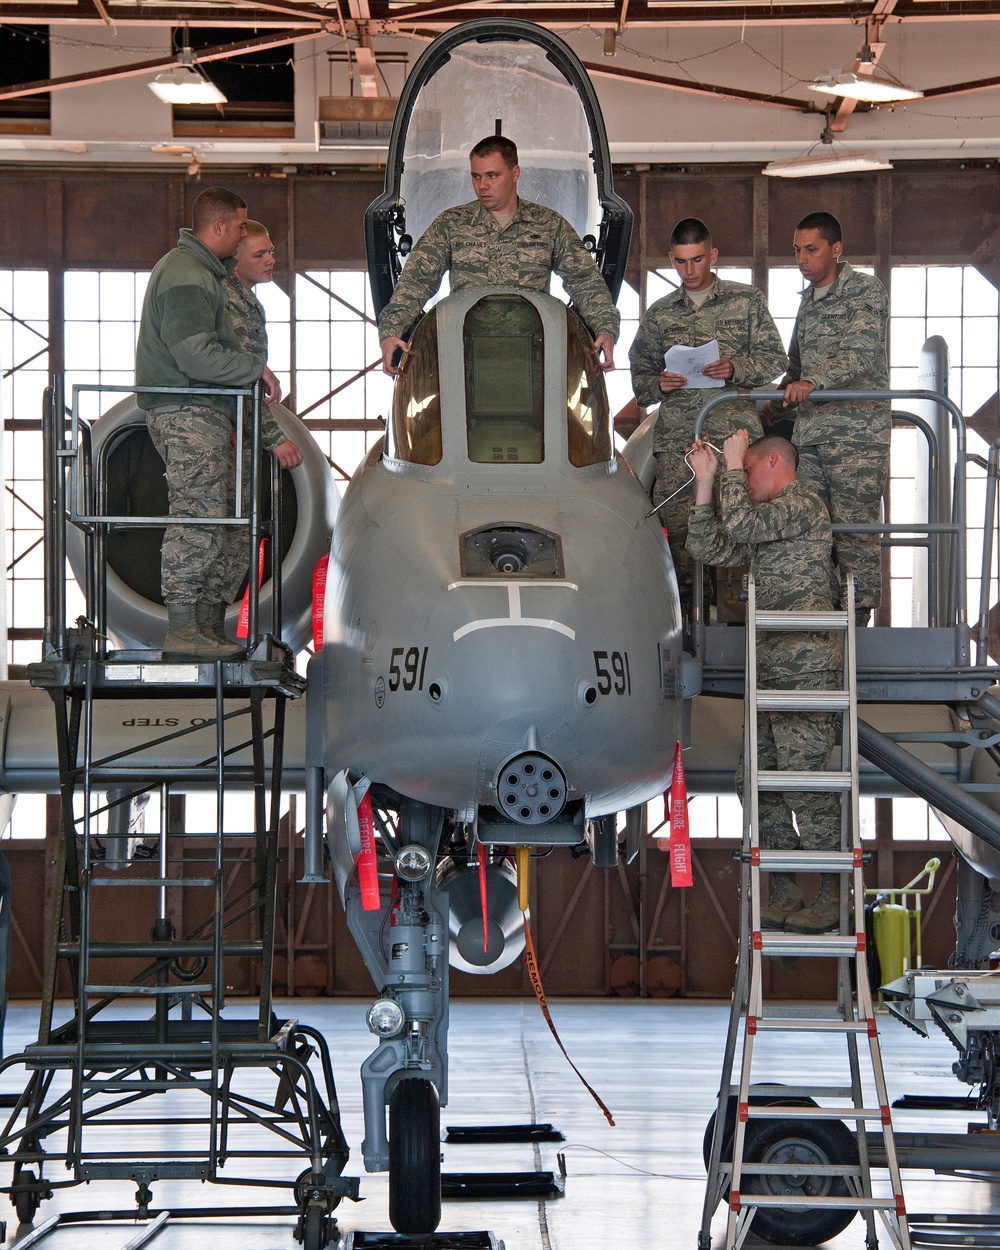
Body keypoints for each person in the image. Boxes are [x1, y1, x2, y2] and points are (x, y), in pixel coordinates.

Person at [687, 431, 843, 934]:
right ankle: (785, 886)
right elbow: (709, 543)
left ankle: (834, 895)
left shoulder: (803, 506)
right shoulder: (763, 522)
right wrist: (708, 483)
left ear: (773, 461)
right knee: (753, 780)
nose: (747, 481)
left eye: (751, 471)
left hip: (805, 670)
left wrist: (731, 466)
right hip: (771, 670)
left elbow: (742, 522)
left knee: (803, 784)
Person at [135, 187, 281, 662]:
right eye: (241, 228)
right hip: (186, 410)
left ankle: (202, 627)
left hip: (206, 412)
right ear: (218, 228)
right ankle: (183, 630)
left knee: (219, 521)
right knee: (197, 519)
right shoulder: (186, 275)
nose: (243, 236)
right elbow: (193, 354)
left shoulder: (202, 273)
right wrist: (251, 368)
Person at [629, 219, 787, 613]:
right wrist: (659, 385)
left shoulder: (746, 301)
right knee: (683, 542)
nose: (689, 270)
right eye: (681, 262)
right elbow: (639, 378)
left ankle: (738, 629)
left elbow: (776, 360)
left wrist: (736, 368)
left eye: (697, 259)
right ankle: (688, 628)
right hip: (680, 447)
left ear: (713, 256)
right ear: (671, 260)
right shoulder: (660, 314)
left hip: (734, 444)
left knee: (740, 531)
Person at [377, 134, 620, 376]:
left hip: (531, 360)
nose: (482, 185)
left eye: (492, 175)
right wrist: (390, 332)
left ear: (515, 174)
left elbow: (585, 282)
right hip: (464, 358)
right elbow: (415, 283)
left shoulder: (549, 225)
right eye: (476, 176)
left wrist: (605, 330)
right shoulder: (451, 225)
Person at [778, 211, 890, 625]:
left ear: (836, 249)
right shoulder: (808, 301)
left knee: (854, 538)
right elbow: (795, 365)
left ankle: (857, 633)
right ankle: (821, 630)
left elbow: (859, 354)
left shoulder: (865, 290)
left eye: (811, 249)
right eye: (796, 251)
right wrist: (773, 397)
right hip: (811, 440)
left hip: (856, 440)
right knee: (811, 536)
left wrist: (811, 381)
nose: (802, 259)